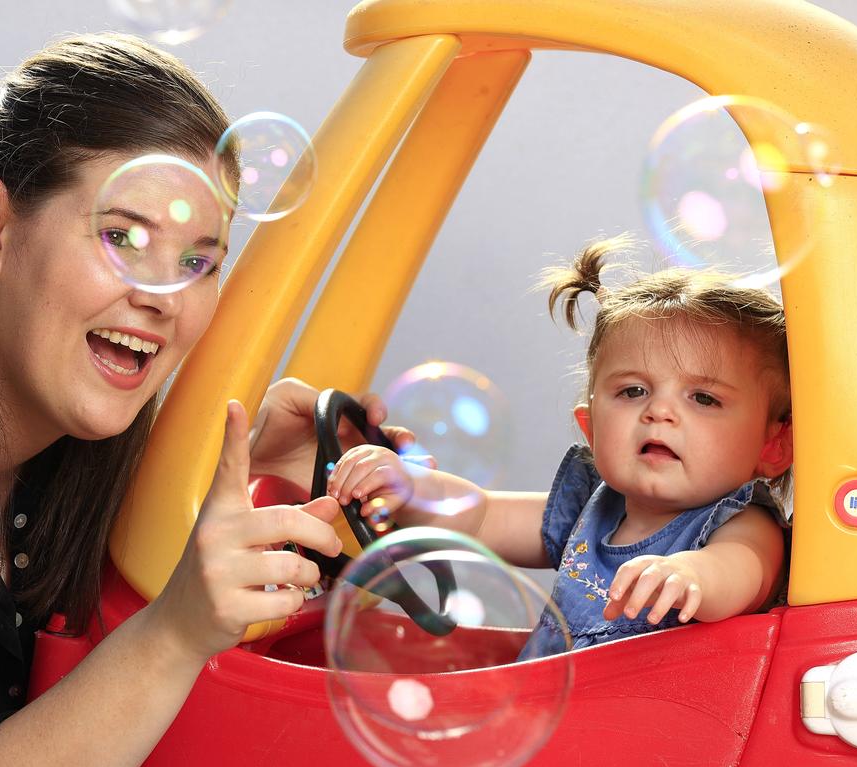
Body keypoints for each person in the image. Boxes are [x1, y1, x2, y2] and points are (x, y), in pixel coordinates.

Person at [0, 33, 413, 767]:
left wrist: (257, 479)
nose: (163, 299)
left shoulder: (73, 462)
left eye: (198, 261)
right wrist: (176, 631)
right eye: (122, 236)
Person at [327, 236, 794, 654]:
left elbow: (743, 572)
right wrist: (408, 486)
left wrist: (693, 576)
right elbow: (482, 514)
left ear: (774, 446)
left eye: (704, 398)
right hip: (562, 724)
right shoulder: (590, 509)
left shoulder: (742, 525)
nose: (660, 412)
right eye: (633, 391)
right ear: (590, 429)